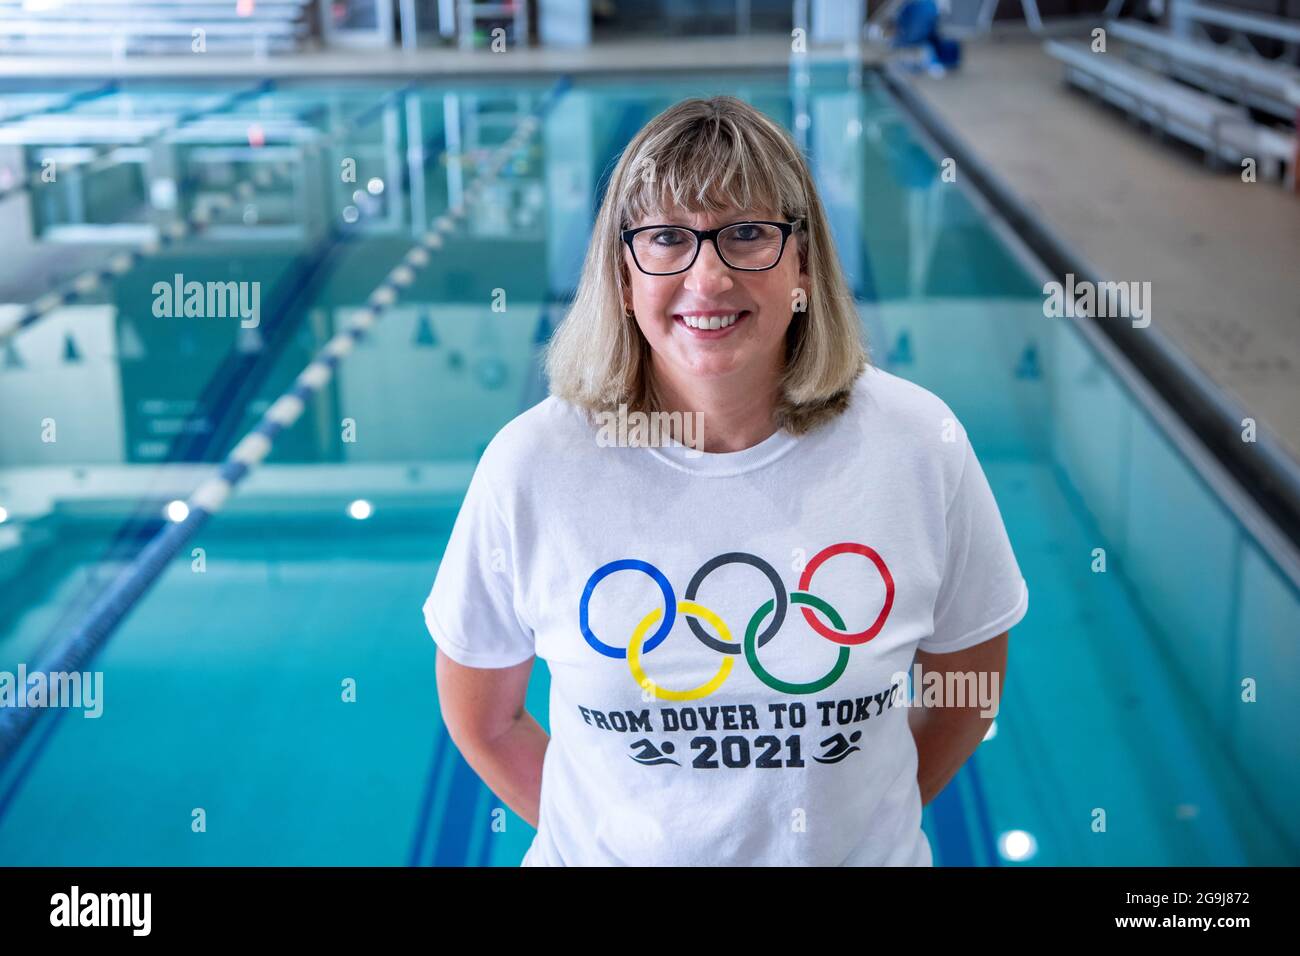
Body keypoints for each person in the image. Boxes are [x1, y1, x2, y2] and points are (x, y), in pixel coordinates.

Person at [422, 95, 1028, 866]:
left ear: (804, 262)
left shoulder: (915, 442)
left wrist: (856, 833)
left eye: (747, 234)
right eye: (668, 238)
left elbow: (966, 693)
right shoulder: (534, 464)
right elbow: (486, 720)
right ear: (622, 270)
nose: (707, 279)